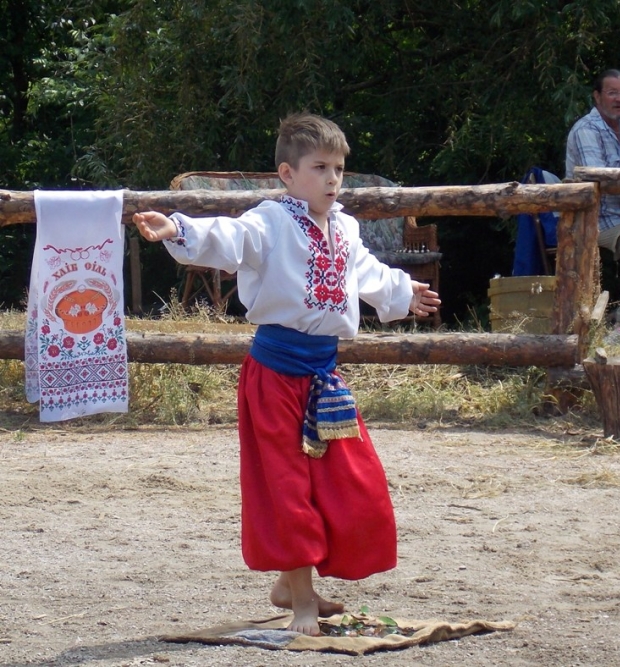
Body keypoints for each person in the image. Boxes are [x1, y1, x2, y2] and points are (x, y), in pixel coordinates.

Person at [133, 112, 441, 636]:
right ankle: (301, 602)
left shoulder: (345, 228)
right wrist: (178, 228)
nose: (332, 179)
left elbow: (365, 272)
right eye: (319, 167)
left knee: (352, 484)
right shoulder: (270, 221)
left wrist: (403, 290)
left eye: (338, 169)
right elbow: (230, 237)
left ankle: (290, 584)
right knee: (287, 489)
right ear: (287, 173)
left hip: (324, 379)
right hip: (274, 377)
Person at [566, 68, 620, 332]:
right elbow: (599, 179)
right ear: (597, 96)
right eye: (613, 93)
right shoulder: (586, 130)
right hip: (595, 218)